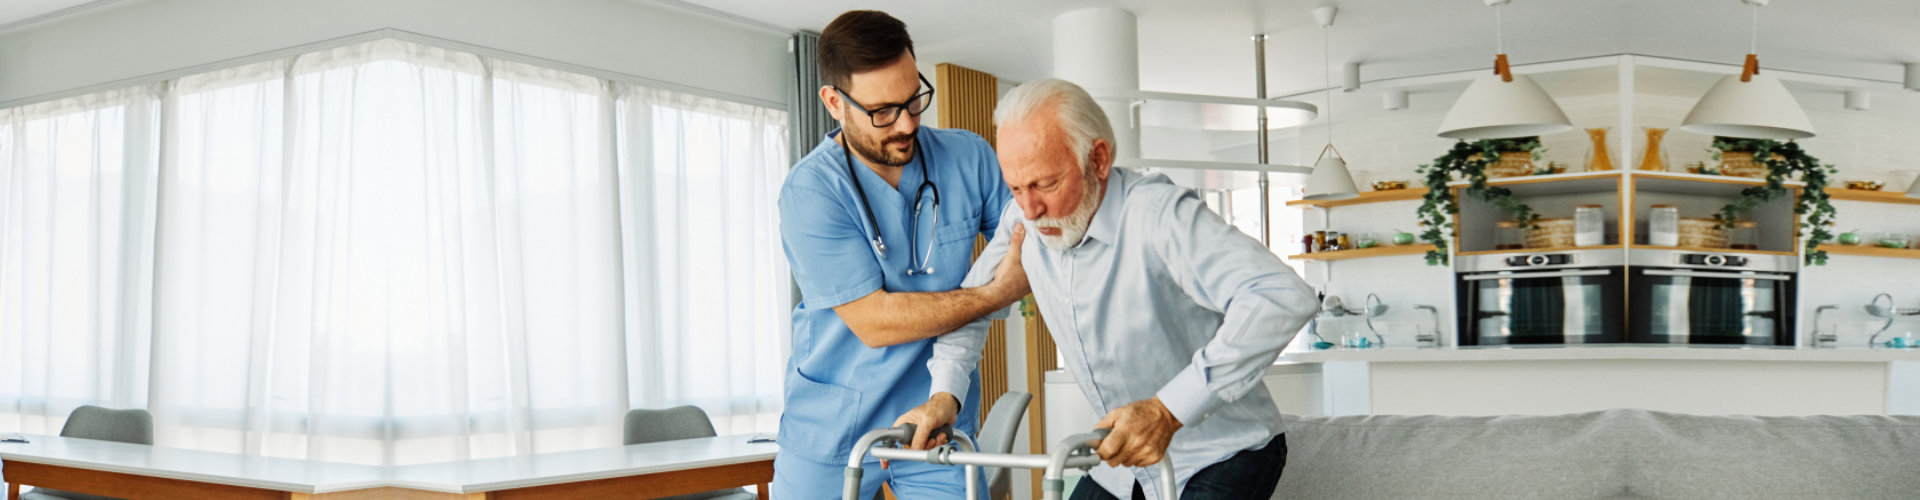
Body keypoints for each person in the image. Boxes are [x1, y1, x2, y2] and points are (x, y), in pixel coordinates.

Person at [899, 78, 1318, 499]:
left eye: (1045, 184)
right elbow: (971, 309)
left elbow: (1280, 296)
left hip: (1223, 451)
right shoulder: (1022, 222)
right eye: (1015, 187)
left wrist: (1167, 410)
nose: (1030, 208)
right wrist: (944, 397)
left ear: (1097, 159)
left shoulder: (1158, 215)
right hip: (1123, 466)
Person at [773, 10, 1030, 499]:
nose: (908, 123)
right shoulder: (810, 192)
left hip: (936, 416)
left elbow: (1030, 236)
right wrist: (999, 291)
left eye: (914, 99)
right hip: (833, 421)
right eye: (884, 111)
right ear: (833, 102)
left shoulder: (969, 158)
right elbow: (876, 321)